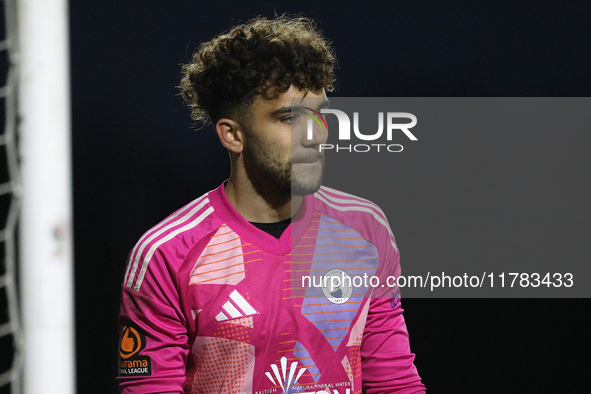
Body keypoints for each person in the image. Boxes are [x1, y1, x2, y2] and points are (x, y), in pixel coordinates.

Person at [118, 15, 425, 394]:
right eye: (289, 117)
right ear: (233, 134)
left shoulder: (365, 229)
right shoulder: (167, 254)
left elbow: (394, 381)